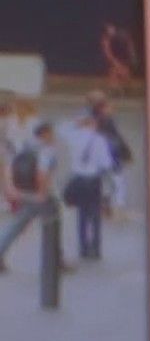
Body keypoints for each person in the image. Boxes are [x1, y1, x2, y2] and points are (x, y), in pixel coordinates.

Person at [0, 121, 64, 274]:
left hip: (24, 191)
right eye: (51, 133)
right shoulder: (46, 151)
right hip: (40, 195)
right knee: (52, 224)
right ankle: (55, 260)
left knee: (17, 225)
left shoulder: (24, 147)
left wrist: (10, 188)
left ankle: (57, 258)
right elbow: (42, 174)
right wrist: (41, 194)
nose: (53, 137)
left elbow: (9, 167)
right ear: (45, 133)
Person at [63, 112, 113, 261]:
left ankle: (83, 248)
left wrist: (76, 123)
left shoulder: (73, 138)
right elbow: (106, 163)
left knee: (82, 215)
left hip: (79, 179)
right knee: (95, 215)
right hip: (93, 180)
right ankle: (96, 248)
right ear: (93, 124)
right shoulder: (99, 140)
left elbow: (63, 128)